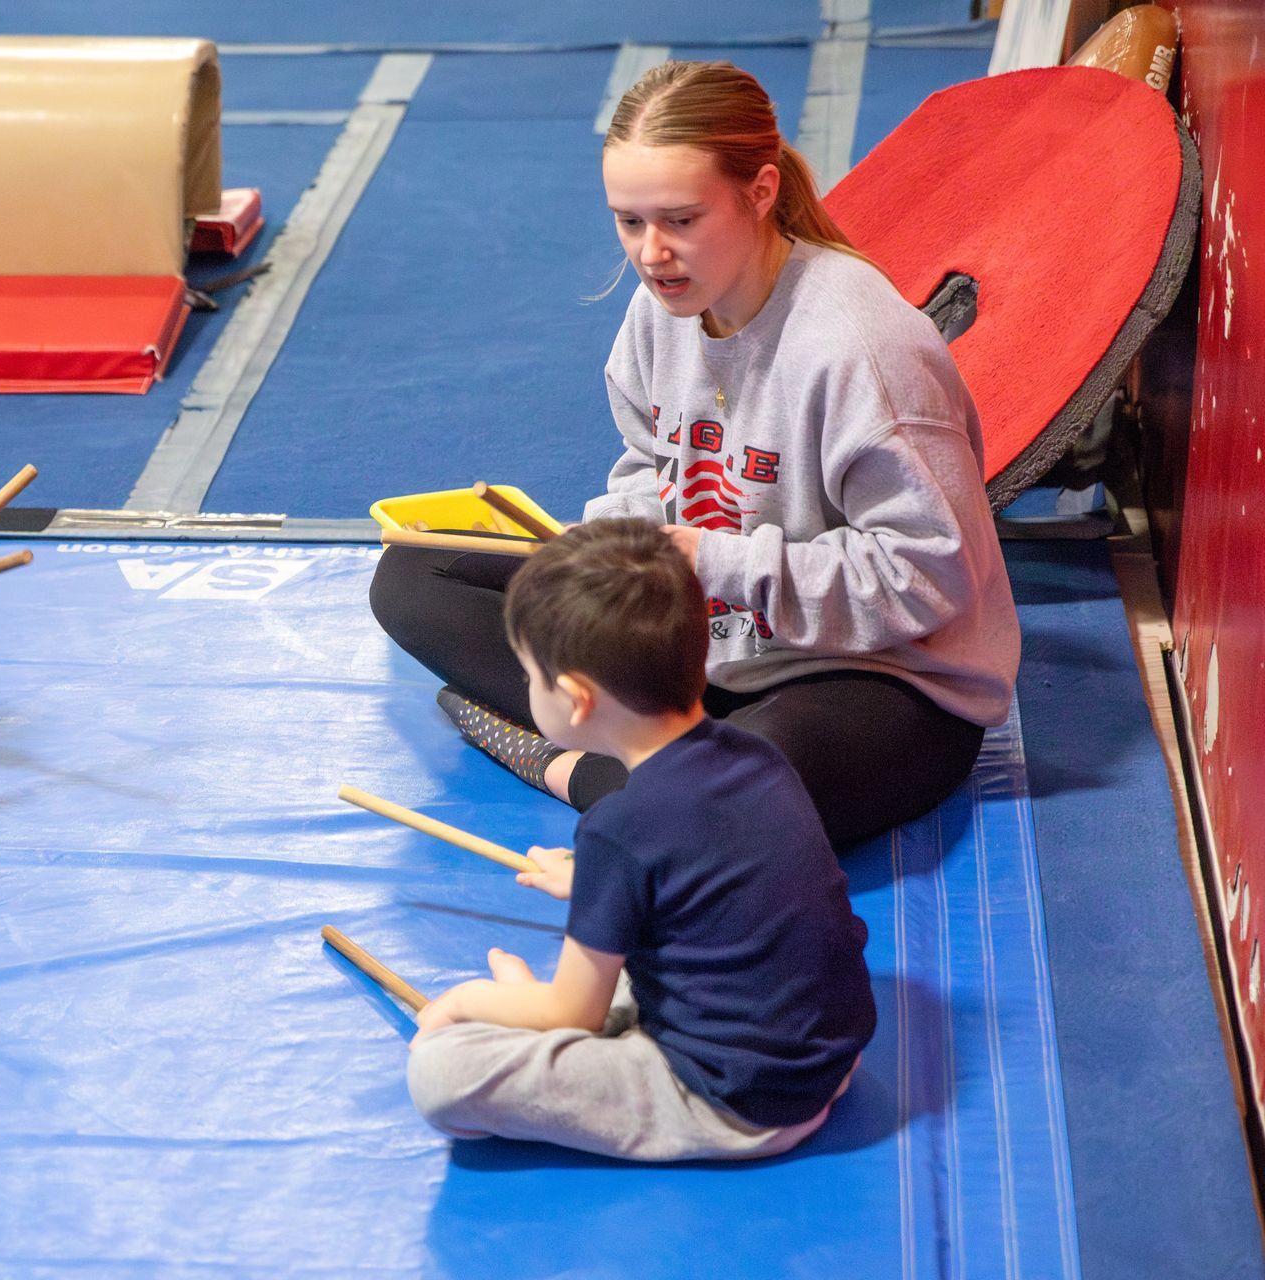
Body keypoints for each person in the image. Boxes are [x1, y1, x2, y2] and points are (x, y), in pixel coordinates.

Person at [369, 60, 1019, 850]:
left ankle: (576, 766)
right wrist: (619, 549)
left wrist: (712, 562)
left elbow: (927, 578)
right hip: (702, 657)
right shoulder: (661, 311)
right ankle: (653, 763)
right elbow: (649, 464)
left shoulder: (864, 351)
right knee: (417, 574)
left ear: (761, 191)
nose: (652, 253)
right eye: (629, 222)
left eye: (680, 219)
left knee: (741, 796)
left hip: (874, 680)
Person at [406, 520, 875, 1160]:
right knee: (636, 960)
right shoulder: (757, 758)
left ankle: (525, 1015)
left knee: (440, 1070)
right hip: (828, 1057)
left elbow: (574, 1016)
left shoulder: (619, 828)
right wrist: (594, 880)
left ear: (574, 700)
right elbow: (713, 876)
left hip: (732, 1102)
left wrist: (468, 1002)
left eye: (528, 677)